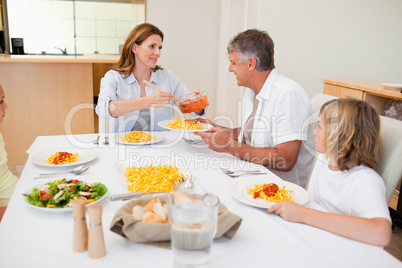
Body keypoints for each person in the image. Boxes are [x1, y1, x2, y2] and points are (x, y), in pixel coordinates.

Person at [195, 29, 313, 187]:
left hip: (279, 190)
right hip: (251, 176)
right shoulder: (252, 91)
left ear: (251, 64)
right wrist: (218, 130)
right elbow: (251, 133)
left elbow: (286, 160)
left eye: (233, 63)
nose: (230, 69)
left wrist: (229, 146)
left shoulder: (288, 94)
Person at [268, 98, 392, 246]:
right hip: (312, 237)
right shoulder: (325, 158)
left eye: (319, 126)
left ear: (339, 135)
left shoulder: (366, 181)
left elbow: (381, 234)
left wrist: (304, 215)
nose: (314, 131)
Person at [96, 23, 205, 133]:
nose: (158, 53)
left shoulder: (167, 77)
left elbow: (192, 110)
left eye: (160, 48)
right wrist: (149, 101)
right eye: (152, 46)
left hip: (162, 145)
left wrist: (197, 103)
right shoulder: (114, 77)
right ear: (134, 48)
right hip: (123, 146)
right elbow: (103, 109)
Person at [0, 85, 18, 221]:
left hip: (15, 198)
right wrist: (16, 209)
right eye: (1, 102)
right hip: (10, 208)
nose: (6, 106)